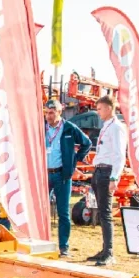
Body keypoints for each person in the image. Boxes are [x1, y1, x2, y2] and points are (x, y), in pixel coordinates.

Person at [44, 99, 91, 257]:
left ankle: (64, 247)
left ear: (59, 112)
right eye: (46, 113)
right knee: (40, 210)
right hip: (44, 174)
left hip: (62, 175)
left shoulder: (69, 128)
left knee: (63, 212)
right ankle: (40, 242)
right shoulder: (41, 129)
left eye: (51, 113)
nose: (48, 116)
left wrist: (74, 160)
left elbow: (87, 143)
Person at [88, 95, 127, 266]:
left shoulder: (117, 128)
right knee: (101, 212)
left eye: (100, 109)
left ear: (110, 108)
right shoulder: (106, 126)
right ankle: (104, 249)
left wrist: (114, 177)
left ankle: (109, 252)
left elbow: (119, 155)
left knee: (106, 213)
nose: (98, 112)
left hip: (107, 172)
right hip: (99, 170)